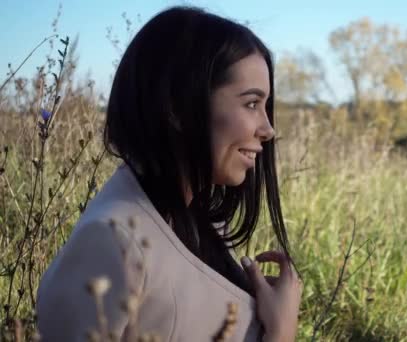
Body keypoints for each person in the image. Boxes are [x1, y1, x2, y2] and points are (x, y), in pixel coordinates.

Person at [36, 6, 302, 341]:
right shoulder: (111, 242)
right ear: (178, 106)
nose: (268, 129)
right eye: (251, 104)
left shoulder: (195, 219)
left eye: (266, 107)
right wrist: (281, 330)